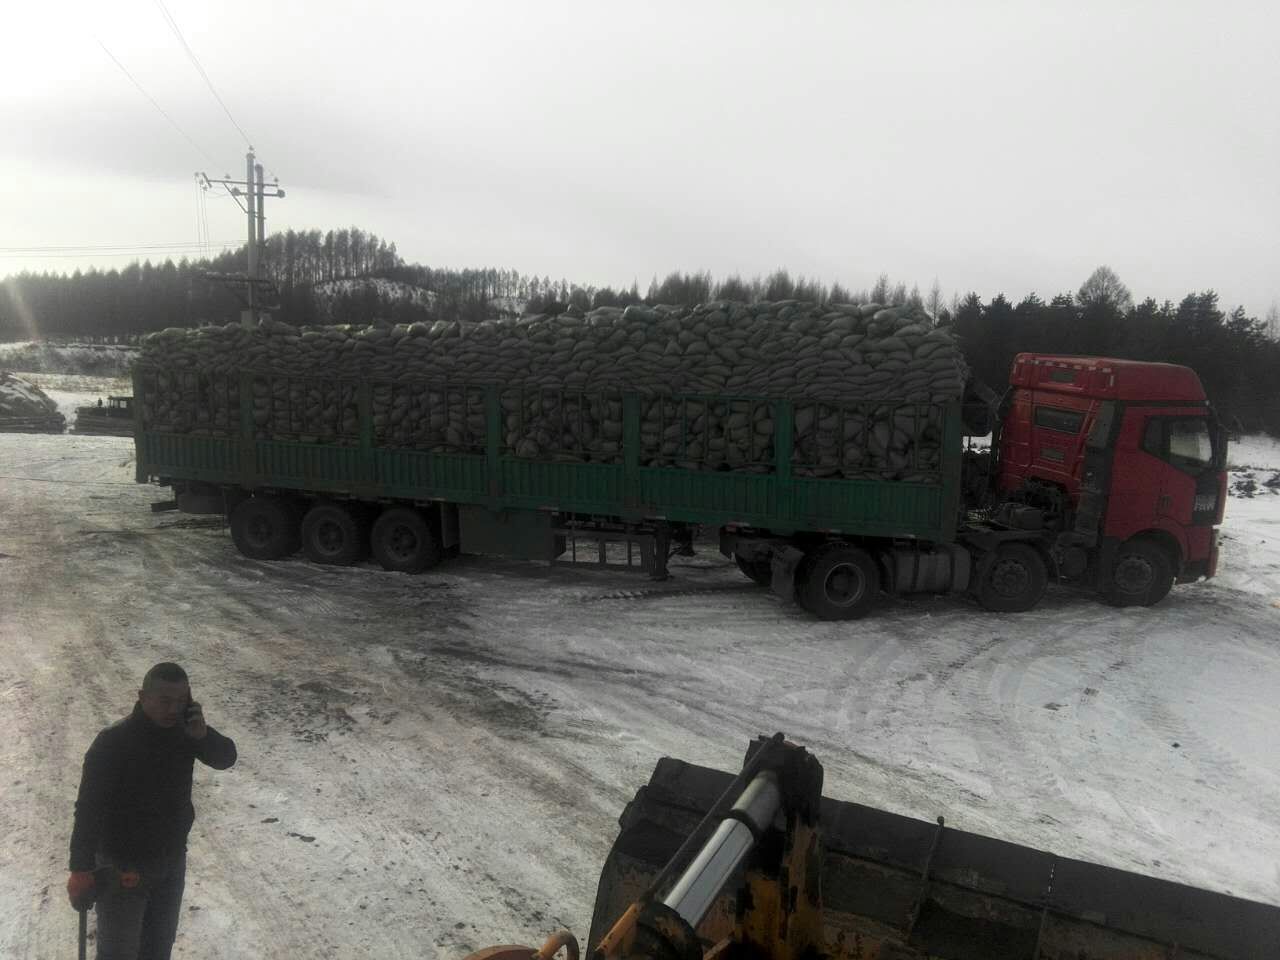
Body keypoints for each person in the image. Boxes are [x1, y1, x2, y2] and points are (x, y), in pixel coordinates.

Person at [67, 662, 237, 959]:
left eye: (181, 701)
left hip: (171, 862)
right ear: (142, 697)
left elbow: (225, 758)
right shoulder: (112, 743)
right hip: (123, 868)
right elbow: (88, 808)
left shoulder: (187, 733)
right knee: (118, 954)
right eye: (165, 700)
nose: (173, 709)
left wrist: (203, 736)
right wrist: (80, 869)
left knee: (158, 950)